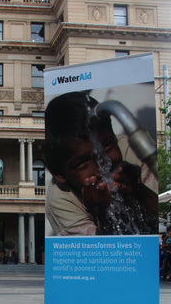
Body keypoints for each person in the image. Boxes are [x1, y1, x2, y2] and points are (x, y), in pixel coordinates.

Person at [44, 91, 158, 236]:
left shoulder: (134, 150)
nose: (102, 165)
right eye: (83, 163)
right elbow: (102, 255)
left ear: (114, 138)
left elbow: (160, 221)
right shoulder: (61, 200)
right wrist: (102, 212)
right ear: (60, 174)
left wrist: (139, 191)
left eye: (107, 147)